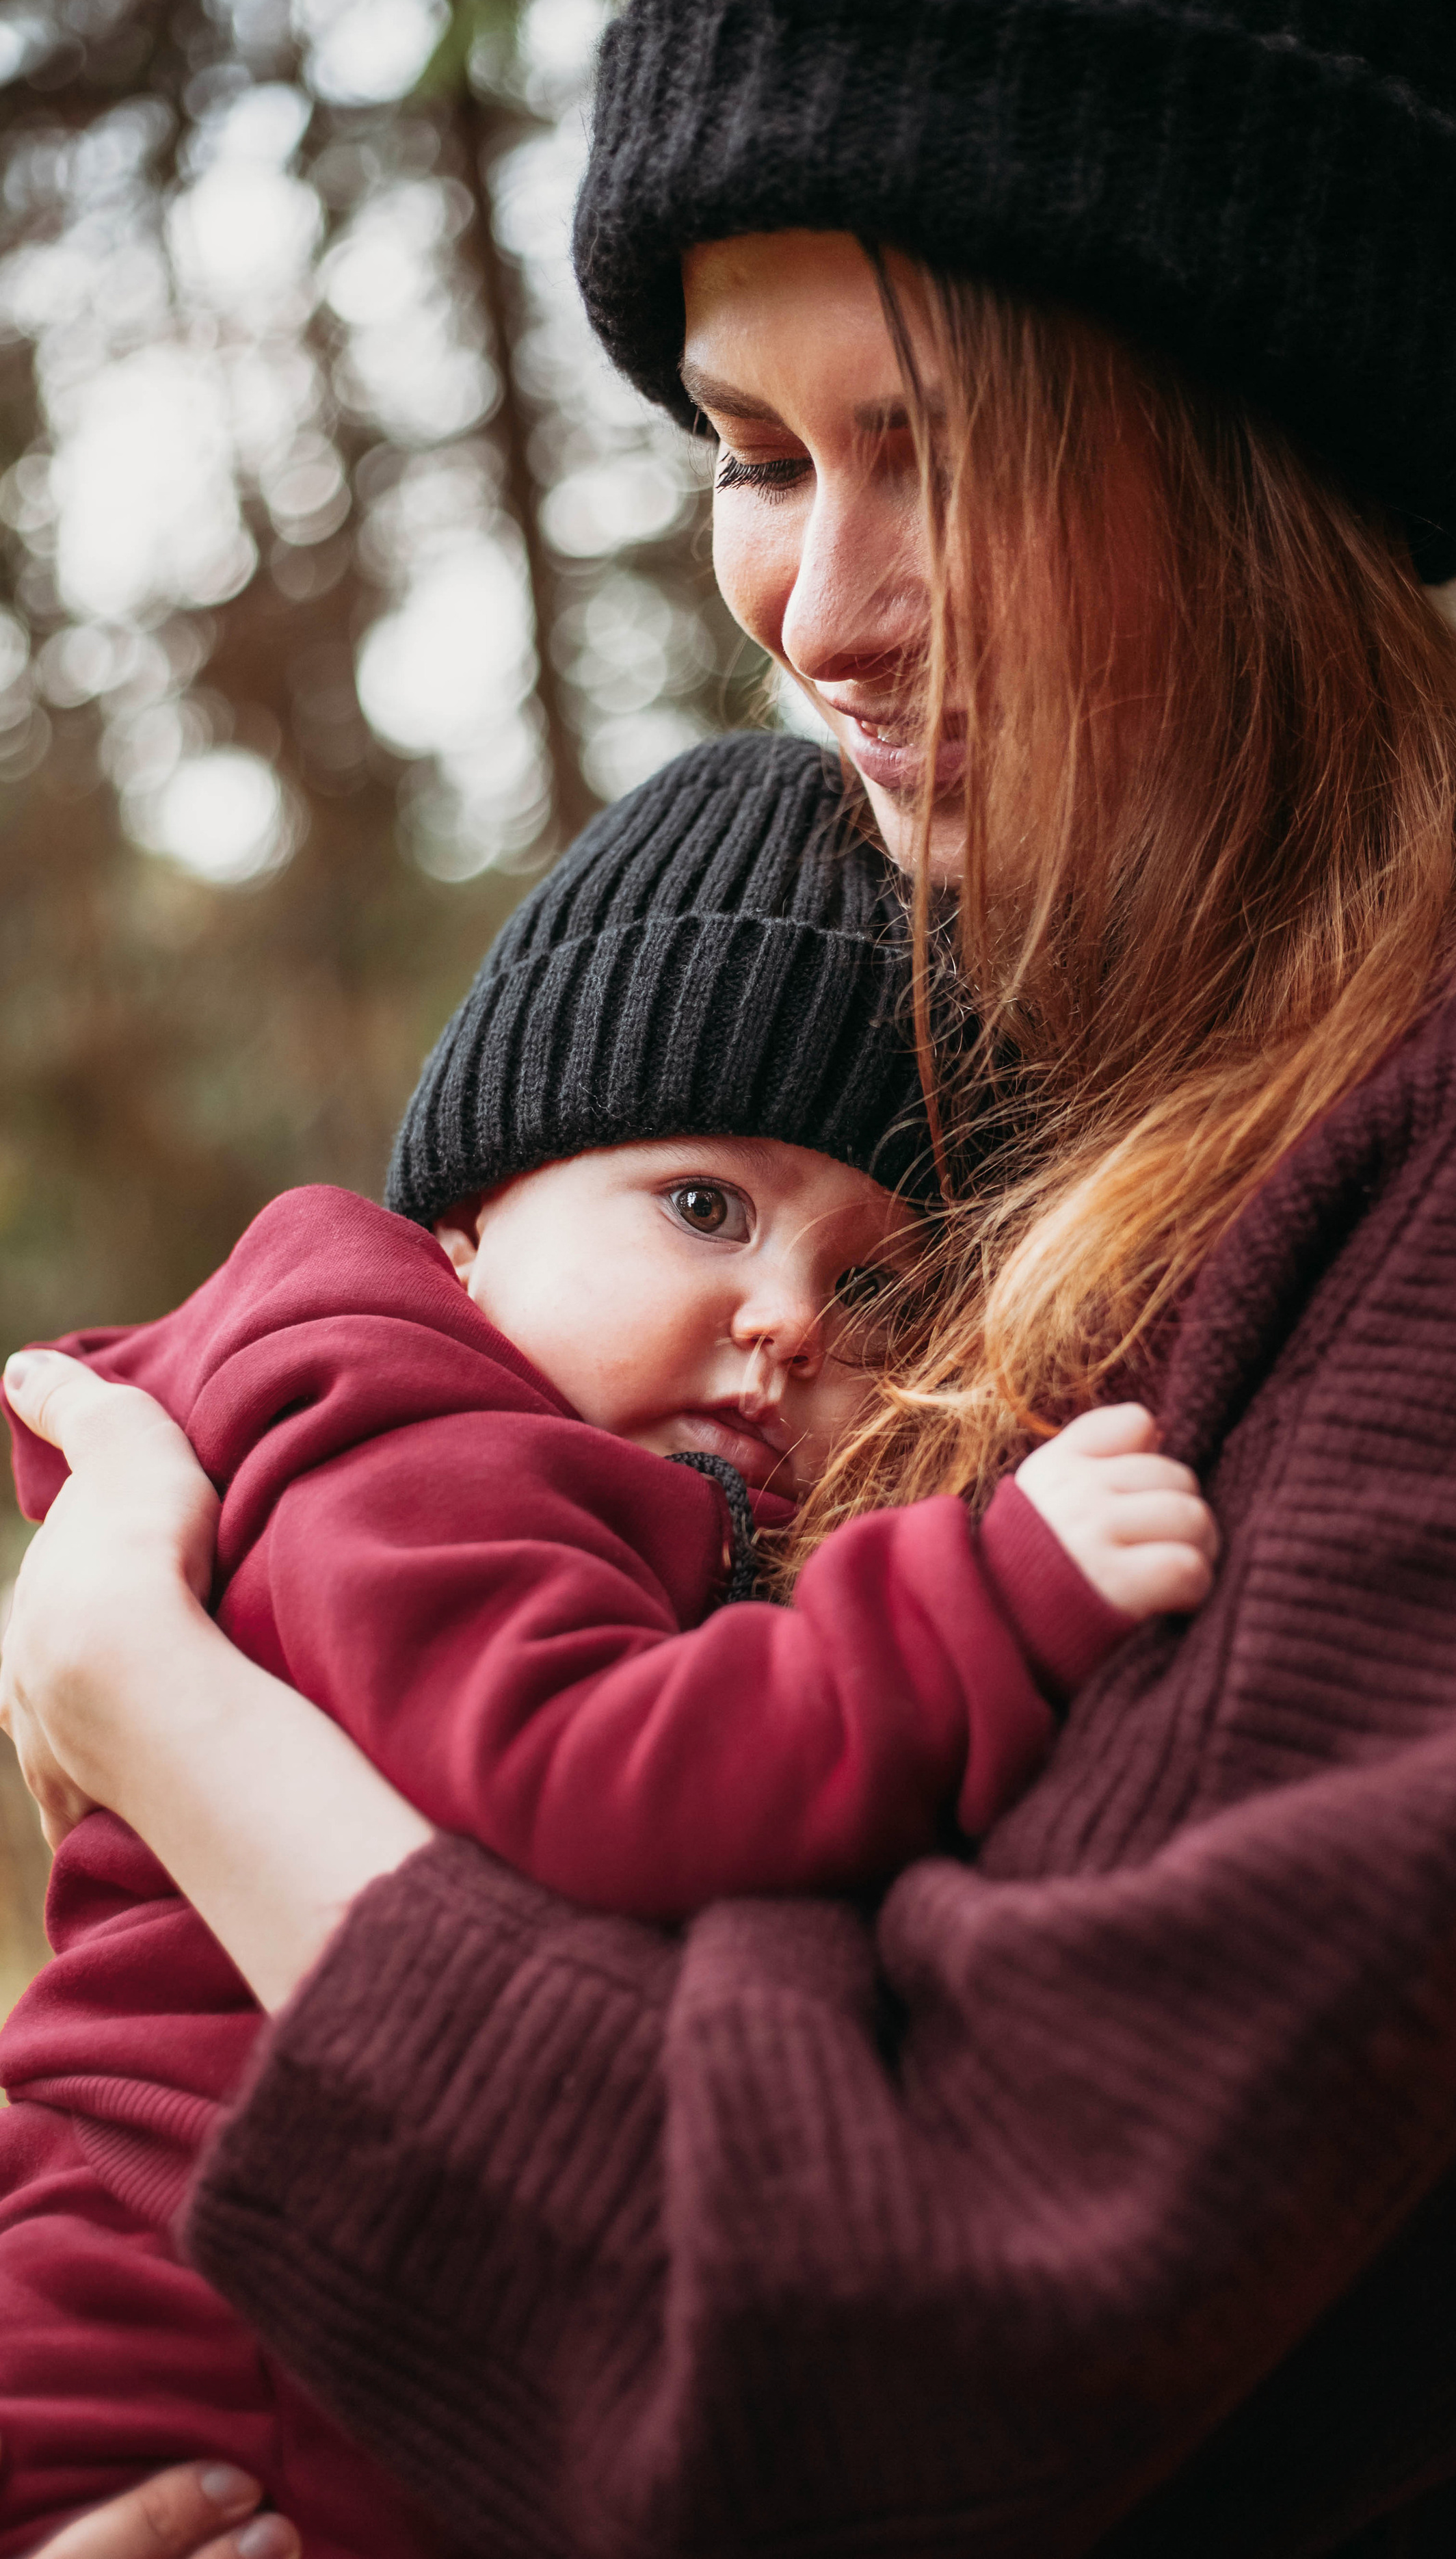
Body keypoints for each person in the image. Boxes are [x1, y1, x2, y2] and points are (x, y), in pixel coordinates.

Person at [8, 0, 1456, 2551]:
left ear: (1249, 428)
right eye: (754, 454)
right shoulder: (952, 1092)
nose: (821, 614)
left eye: (931, 449)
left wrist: (162, 1711)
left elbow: (955, 2285)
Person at [0, 735, 1215, 2559]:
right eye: (704, 1207)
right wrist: (992, 1601)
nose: (788, 1320)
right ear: (474, 1218)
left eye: (875, 1283)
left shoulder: (556, 1479)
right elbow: (594, 1776)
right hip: (184, 2334)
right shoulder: (417, 1452)